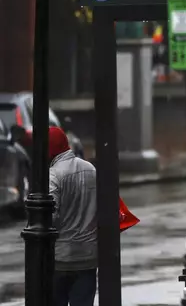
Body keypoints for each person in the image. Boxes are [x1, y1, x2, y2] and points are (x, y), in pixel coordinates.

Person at [49, 126, 98, 306]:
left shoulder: (53, 175)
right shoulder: (90, 169)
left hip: (61, 259)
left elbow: (50, 217)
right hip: (88, 256)